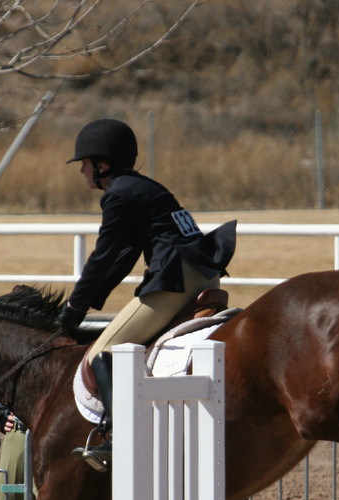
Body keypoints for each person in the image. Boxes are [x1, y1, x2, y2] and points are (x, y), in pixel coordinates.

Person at [54, 118, 236, 471]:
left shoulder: (120, 194)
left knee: (102, 353)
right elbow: (124, 256)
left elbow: (103, 257)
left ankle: (119, 437)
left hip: (177, 280)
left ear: (102, 164)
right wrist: (86, 303)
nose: (82, 172)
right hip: (200, 275)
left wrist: (73, 309)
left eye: (85, 164)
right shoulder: (141, 187)